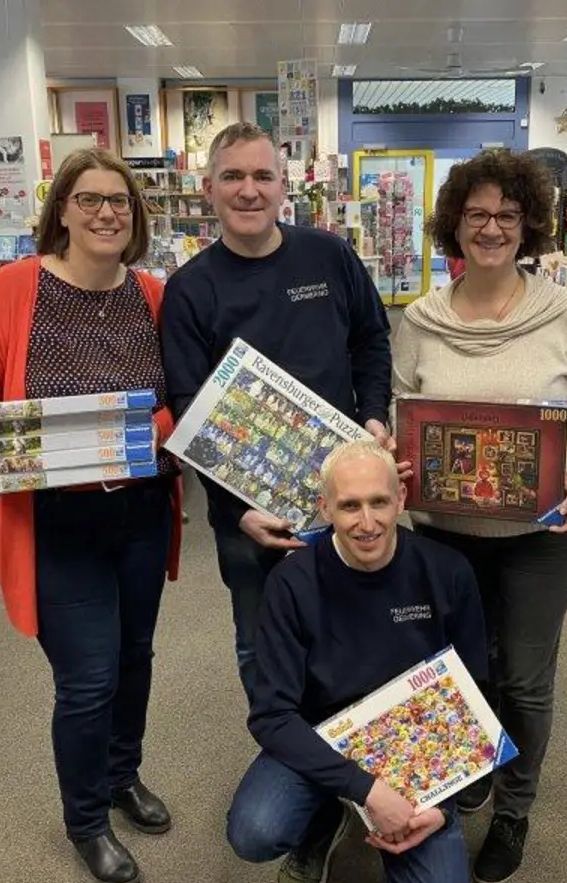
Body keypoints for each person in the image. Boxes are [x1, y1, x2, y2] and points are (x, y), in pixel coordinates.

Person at [0, 148, 184, 883]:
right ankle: (86, 821)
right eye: (89, 199)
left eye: (119, 200)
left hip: (140, 510)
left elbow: (183, 393)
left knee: (136, 656)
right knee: (87, 679)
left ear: (136, 215)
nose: (107, 212)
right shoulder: (16, 288)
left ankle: (121, 775)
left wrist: (154, 433)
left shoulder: (154, 295)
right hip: (55, 523)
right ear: (62, 212)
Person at [392, 148, 567, 883]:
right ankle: (473, 776)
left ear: (529, 227)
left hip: (543, 534)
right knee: (461, 671)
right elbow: (400, 415)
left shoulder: (563, 313)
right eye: (477, 214)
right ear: (454, 224)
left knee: (524, 676)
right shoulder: (421, 320)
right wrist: (394, 460)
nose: (491, 228)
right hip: (446, 531)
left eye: (507, 215)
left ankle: (515, 809)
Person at [160, 121, 394, 702]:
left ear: (283, 185)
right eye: (233, 176)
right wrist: (235, 509)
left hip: (343, 491)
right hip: (247, 513)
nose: (249, 190)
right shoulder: (191, 289)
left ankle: (350, 761)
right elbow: (188, 407)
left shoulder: (330, 256)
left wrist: (373, 417)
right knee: (260, 639)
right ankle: (290, 756)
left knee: (352, 626)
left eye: (263, 176)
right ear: (209, 186)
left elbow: (372, 340)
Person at [226, 441, 489, 883]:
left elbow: (475, 696)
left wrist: (441, 809)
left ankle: (406, 817)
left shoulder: (447, 571)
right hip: (322, 733)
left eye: (379, 502)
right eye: (349, 506)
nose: (367, 523)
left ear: (401, 499)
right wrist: (365, 789)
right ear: (324, 507)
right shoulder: (291, 583)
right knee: (255, 831)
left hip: (417, 745)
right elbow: (271, 715)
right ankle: (325, 816)